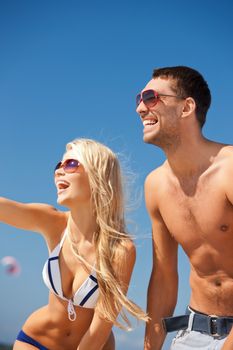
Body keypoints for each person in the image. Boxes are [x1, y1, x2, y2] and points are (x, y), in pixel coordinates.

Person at [0, 138, 148, 350]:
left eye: (70, 164)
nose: (59, 171)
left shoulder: (120, 250)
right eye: (58, 166)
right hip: (36, 340)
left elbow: (99, 329)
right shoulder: (53, 223)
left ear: (98, 176)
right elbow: (5, 209)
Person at [136, 66, 233, 350]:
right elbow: (164, 278)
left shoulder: (229, 169)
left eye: (151, 97)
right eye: (139, 99)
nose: (141, 108)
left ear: (186, 107)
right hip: (193, 334)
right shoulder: (155, 186)